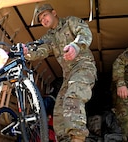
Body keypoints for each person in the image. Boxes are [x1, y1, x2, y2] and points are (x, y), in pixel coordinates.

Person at [23, 3, 97, 142]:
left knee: (72, 97)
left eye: (45, 15)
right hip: (68, 75)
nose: (43, 20)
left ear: (54, 13)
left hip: (83, 67)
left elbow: (85, 33)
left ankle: (77, 138)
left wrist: (76, 46)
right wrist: (27, 52)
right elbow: (41, 50)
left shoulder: (70, 22)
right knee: (59, 110)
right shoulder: (49, 37)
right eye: (40, 19)